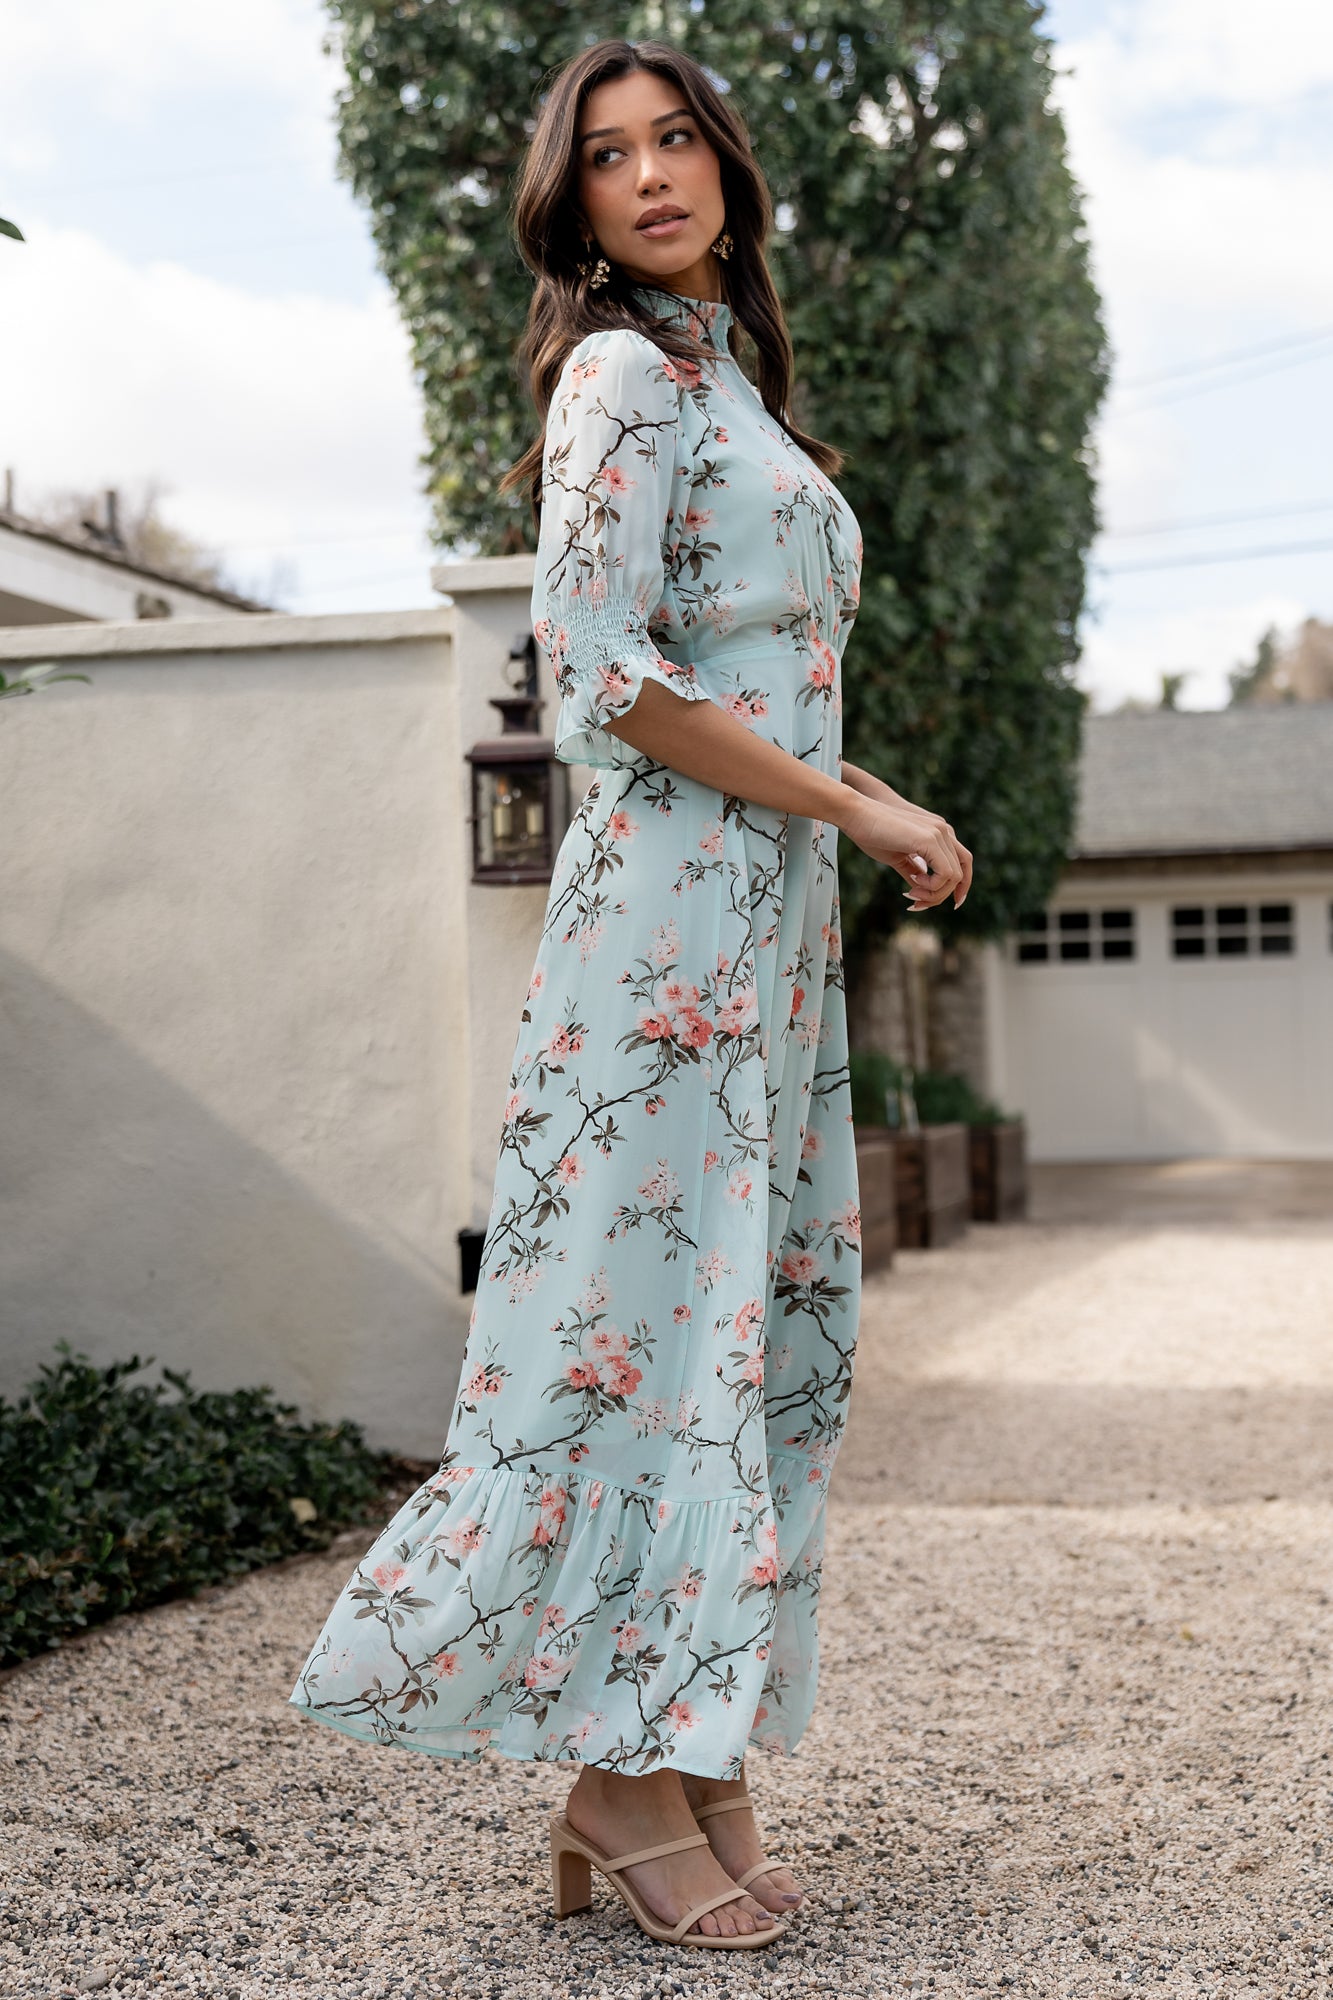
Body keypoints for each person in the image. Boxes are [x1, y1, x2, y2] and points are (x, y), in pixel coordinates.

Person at [288, 36, 972, 1951]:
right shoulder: (611, 374)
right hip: (666, 935)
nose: (654, 176)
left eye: (678, 141)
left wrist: (825, 824)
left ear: (727, 174)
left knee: (747, 1335)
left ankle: (687, 1755)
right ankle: (613, 1772)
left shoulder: (719, 378)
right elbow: (600, 678)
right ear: (569, 202)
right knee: (646, 1336)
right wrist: (859, 799)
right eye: (609, 156)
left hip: (758, 935)